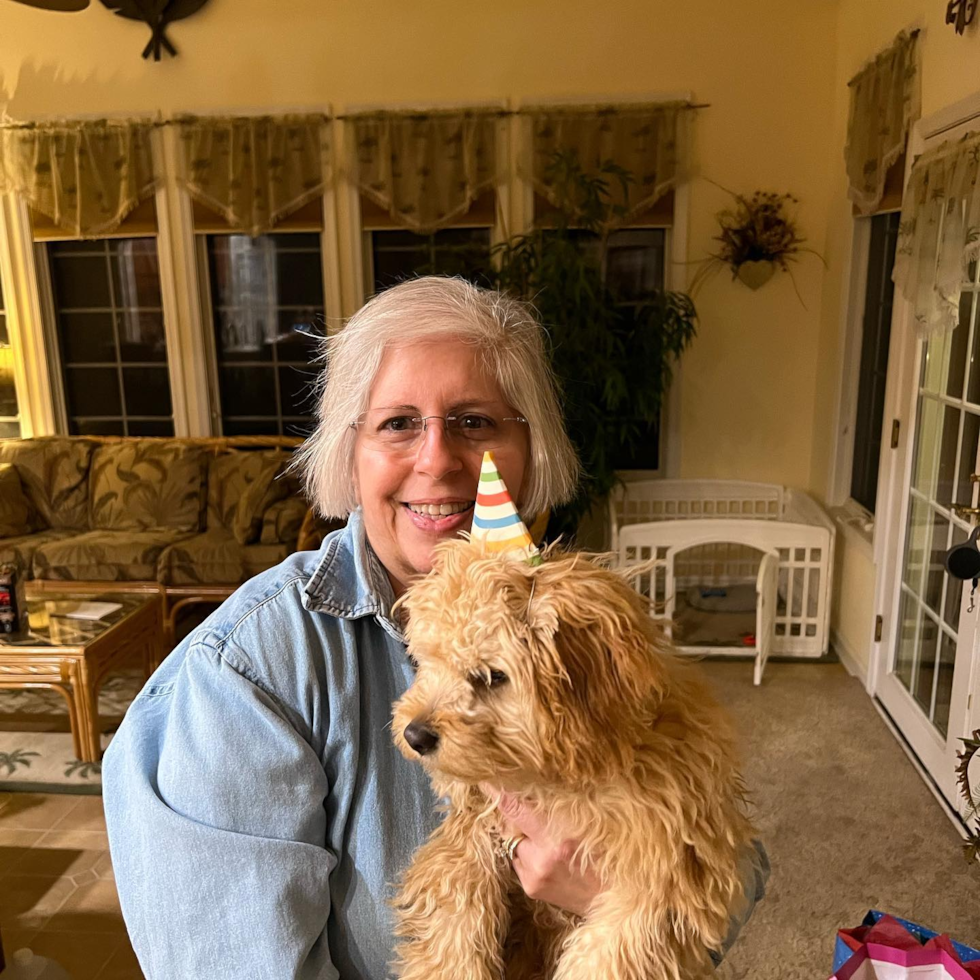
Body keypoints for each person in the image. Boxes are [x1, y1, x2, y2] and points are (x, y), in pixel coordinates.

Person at [103, 276, 768, 979]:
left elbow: (736, 862)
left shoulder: (579, 623)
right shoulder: (249, 669)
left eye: (475, 422)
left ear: (530, 445)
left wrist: (625, 900)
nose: (438, 459)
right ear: (349, 449)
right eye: (398, 423)